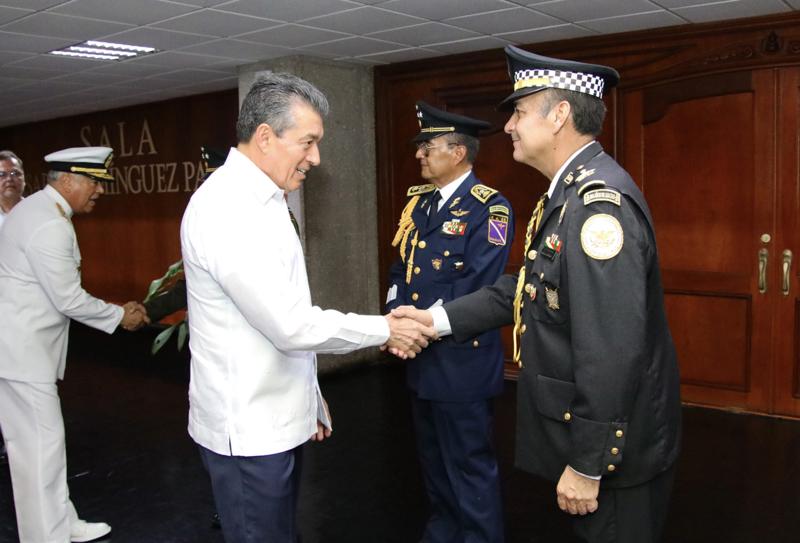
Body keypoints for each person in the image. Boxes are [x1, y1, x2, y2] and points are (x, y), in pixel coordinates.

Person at [392, 46, 682, 543]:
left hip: (617, 453)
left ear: (560, 115)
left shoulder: (596, 207)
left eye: (521, 112)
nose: (508, 125)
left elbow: (611, 348)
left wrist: (588, 463)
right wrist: (435, 321)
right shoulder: (565, 194)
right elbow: (525, 287)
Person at [180, 72, 435, 543]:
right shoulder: (227, 209)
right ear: (265, 137)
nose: (315, 158)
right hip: (249, 432)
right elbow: (290, 325)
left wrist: (307, 399)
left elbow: (284, 309)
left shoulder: (267, 199)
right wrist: (386, 329)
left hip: (275, 419)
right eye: (308, 142)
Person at [0, 146, 149, 543]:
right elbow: (68, 298)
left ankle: (62, 522)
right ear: (67, 180)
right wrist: (120, 316)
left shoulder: (35, 210)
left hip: (17, 351)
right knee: (39, 450)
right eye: (94, 182)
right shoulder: (49, 223)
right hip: (23, 355)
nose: (100, 191)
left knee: (41, 447)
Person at [386, 101, 514, 543]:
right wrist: (395, 317)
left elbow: (480, 286)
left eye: (428, 147)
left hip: (461, 362)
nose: (419, 154)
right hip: (421, 359)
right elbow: (401, 269)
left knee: (469, 467)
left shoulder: (490, 209)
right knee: (434, 465)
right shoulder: (419, 205)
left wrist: (417, 328)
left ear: (458, 153)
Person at [0, 149, 25, 229]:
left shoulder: (37, 211)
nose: (9, 179)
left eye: (15, 173)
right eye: (2, 174)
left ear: (24, 179)